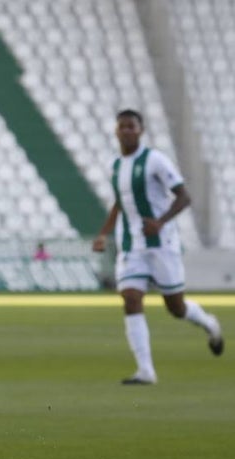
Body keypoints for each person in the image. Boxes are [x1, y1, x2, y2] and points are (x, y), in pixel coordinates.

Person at [91, 109, 223, 384]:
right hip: (132, 246)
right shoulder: (116, 166)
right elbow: (120, 202)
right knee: (130, 297)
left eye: (132, 126)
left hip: (161, 244)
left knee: (176, 307)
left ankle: (209, 323)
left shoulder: (155, 161)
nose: (127, 131)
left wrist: (161, 222)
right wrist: (103, 233)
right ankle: (146, 371)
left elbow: (184, 196)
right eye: (122, 126)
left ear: (141, 130)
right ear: (116, 131)